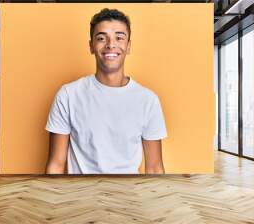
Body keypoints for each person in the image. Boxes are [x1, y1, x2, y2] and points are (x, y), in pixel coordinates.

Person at [45, 8, 167, 174]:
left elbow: (154, 168)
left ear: (128, 46)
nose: (111, 44)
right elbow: (55, 165)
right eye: (102, 38)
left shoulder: (148, 100)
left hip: (129, 197)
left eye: (119, 37)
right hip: (80, 197)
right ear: (91, 46)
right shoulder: (68, 95)